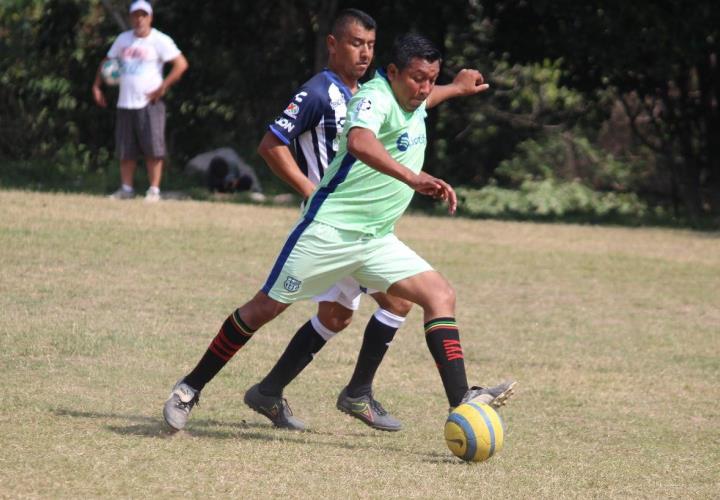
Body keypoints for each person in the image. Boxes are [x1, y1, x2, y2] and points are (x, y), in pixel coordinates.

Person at [163, 32, 515, 433]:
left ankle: (463, 403)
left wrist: (454, 88)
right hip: (329, 231)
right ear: (394, 71)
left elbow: (424, 103)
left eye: (432, 78)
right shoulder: (374, 97)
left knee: (439, 295)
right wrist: (412, 177)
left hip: (376, 239)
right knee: (264, 308)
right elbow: (361, 141)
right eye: (418, 78)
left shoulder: (413, 97)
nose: (424, 88)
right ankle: (190, 387)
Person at [92, 0, 188, 202]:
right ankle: (126, 188)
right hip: (125, 102)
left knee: (153, 148)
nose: (139, 19)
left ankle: (154, 190)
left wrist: (162, 87)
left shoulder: (159, 40)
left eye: (143, 15)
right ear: (130, 17)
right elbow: (108, 62)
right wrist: (97, 85)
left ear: (150, 17)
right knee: (126, 149)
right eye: (136, 15)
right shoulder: (123, 39)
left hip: (149, 103)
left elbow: (181, 64)